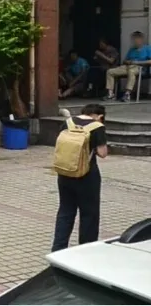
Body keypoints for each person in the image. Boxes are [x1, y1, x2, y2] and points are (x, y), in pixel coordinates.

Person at [51, 104, 108, 252]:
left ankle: (58, 249)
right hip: (87, 176)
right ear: (100, 116)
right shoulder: (97, 127)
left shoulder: (68, 122)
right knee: (89, 214)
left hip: (65, 173)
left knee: (65, 211)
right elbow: (102, 153)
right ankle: (86, 251)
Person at [104, 31, 151, 101]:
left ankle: (127, 94)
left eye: (137, 38)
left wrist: (137, 62)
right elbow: (124, 61)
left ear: (141, 39)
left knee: (131, 71)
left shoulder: (147, 48)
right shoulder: (131, 49)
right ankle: (110, 94)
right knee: (110, 71)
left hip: (140, 68)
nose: (136, 40)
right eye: (134, 39)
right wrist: (128, 62)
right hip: (127, 67)